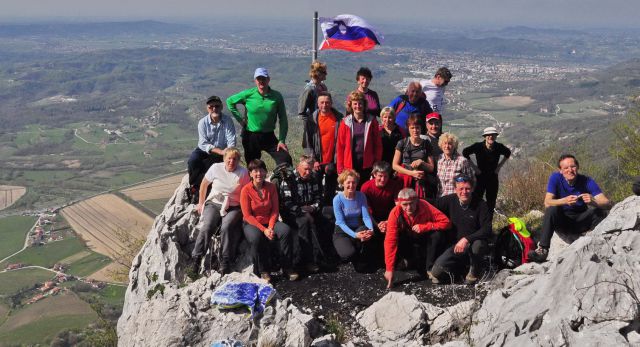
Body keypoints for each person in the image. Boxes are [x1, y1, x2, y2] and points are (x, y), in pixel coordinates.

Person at [528, 154, 612, 263]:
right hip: (563, 222)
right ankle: (543, 250)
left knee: (600, 211)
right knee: (551, 209)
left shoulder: (586, 181)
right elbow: (547, 202)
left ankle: (593, 239)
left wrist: (593, 202)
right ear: (561, 171)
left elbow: (607, 203)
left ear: (578, 167)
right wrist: (564, 200)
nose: (570, 170)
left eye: (573, 166)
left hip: (581, 221)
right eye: (566, 168)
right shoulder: (555, 178)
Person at [191, 148, 249, 275]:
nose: (231, 161)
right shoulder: (216, 168)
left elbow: (246, 192)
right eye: (229, 158)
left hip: (233, 206)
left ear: (239, 161)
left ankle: (225, 260)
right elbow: (204, 185)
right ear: (224, 159)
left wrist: (246, 212)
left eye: (235, 159)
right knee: (207, 226)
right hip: (214, 203)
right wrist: (201, 203)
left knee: (226, 227)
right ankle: (196, 259)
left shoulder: (243, 173)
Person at [240, 159, 298, 282]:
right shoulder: (246, 190)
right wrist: (264, 230)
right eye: (255, 171)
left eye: (261, 170)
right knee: (256, 237)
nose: (258, 173)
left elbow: (275, 210)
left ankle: (287, 267)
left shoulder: (271, 187)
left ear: (265, 172)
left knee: (285, 231)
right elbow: (247, 215)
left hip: (270, 221)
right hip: (252, 223)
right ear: (250, 173)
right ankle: (263, 271)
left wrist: (270, 227)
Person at [430, 175, 492, 285]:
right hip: (456, 246)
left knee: (478, 245)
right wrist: (413, 200)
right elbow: (432, 203)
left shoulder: (481, 204)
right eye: (461, 189)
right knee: (436, 273)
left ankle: (475, 270)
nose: (464, 192)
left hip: (473, 244)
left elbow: (487, 229)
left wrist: (467, 239)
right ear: (455, 190)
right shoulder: (450, 200)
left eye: (467, 188)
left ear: (472, 189)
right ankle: (461, 266)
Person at [384, 188, 451, 288]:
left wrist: (425, 226)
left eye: (411, 203)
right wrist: (389, 269)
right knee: (393, 237)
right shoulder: (395, 213)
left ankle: (429, 268)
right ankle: (408, 260)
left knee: (437, 235)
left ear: (417, 201)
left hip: (423, 237)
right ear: (399, 204)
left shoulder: (425, 205)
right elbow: (390, 240)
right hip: (407, 239)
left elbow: (446, 223)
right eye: (405, 204)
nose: (409, 207)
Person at [227, 67, 292, 166]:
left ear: (268, 79)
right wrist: (240, 119)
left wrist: (282, 140)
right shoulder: (248, 94)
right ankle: (254, 181)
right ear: (255, 80)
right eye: (258, 79)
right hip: (251, 136)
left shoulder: (276, 96)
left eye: (264, 78)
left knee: (285, 159)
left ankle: (278, 179)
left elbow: (283, 119)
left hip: (269, 135)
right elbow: (230, 101)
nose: (261, 81)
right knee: (253, 166)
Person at [278, 155, 325, 273]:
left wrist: (312, 208)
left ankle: (324, 255)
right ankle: (306, 260)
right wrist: (303, 212)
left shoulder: (313, 178)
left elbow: (318, 198)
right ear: (298, 167)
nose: (308, 172)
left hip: (309, 209)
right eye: (305, 169)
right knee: (304, 223)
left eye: (310, 169)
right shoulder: (289, 179)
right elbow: (287, 203)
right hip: (293, 213)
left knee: (326, 219)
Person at [187, 96, 237, 203]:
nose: (214, 109)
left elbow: (231, 140)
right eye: (211, 107)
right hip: (204, 149)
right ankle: (195, 185)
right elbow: (203, 143)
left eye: (217, 106)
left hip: (223, 150)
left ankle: (202, 187)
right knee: (193, 160)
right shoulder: (202, 122)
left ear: (221, 107)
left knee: (211, 164)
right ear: (207, 108)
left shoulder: (228, 121)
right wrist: (220, 151)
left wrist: (227, 153)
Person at [301, 91, 343, 204]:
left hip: (332, 161)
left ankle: (329, 209)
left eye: (327, 102)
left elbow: (342, 140)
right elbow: (307, 141)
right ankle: (317, 208)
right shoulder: (312, 119)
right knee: (316, 189)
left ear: (331, 103)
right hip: (317, 161)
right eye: (322, 102)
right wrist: (313, 160)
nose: (325, 105)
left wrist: (338, 161)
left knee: (330, 189)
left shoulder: (338, 118)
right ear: (318, 104)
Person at [332, 169, 378, 272]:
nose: (351, 185)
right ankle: (349, 250)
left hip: (357, 227)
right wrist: (355, 235)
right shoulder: (337, 199)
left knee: (366, 231)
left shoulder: (361, 196)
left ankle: (361, 257)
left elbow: (366, 216)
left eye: (354, 182)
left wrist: (371, 230)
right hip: (342, 231)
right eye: (348, 182)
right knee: (347, 254)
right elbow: (340, 222)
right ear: (342, 183)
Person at [336, 91, 382, 187]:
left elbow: (377, 144)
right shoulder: (345, 123)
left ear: (364, 104)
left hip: (367, 165)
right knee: (351, 190)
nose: (358, 106)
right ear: (351, 105)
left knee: (365, 190)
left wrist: (376, 163)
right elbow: (340, 147)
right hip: (350, 165)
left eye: (360, 103)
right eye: (355, 103)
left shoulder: (371, 121)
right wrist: (340, 169)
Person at [462, 126, 511, 213]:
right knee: (475, 200)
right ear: (485, 136)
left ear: (496, 136)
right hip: (480, 177)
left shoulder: (498, 147)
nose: (491, 137)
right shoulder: (478, 146)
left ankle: (488, 223)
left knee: (491, 203)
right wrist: (474, 167)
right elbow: (465, 152)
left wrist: (499, 167)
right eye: (488, 135)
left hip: (492, 178)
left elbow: (508, 153)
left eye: (493, 135)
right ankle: (475, 221)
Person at [392, 114, 435, 198]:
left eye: (417, 127)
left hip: (421, 181)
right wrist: (412, 173)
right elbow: (394, 165)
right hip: (404, 180)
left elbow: (431, 168)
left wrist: (421, 162)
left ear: (421, 128)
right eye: (412, 128)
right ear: (408, 128)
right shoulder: (402, 143)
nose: (415, 130)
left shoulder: (426, 144)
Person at [361, 161, 403, 234]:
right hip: (372, 218)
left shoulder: (394, 185)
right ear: (374, 174)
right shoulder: (366, 187)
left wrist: (388, 222)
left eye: (385, 176)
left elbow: (398, 206)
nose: (383, 179)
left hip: (390, 216)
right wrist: (377, 225)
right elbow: (366, 211)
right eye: (380, 176)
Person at [437, 132, 475, 197]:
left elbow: (472, 180)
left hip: (455, 199)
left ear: (454, 146)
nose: (447, 146)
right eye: (445, 143)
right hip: (441, 198)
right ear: (441, 145)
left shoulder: (462, 161)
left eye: (450, 144)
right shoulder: (439, 160)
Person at [424, 112, 443, 198]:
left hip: (444, 179)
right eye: (431, 124)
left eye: (436, 123)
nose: (434, 126)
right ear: (426, 125)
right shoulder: (422, 139)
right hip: (428, 180)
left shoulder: (446, 139)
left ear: (440, 124)